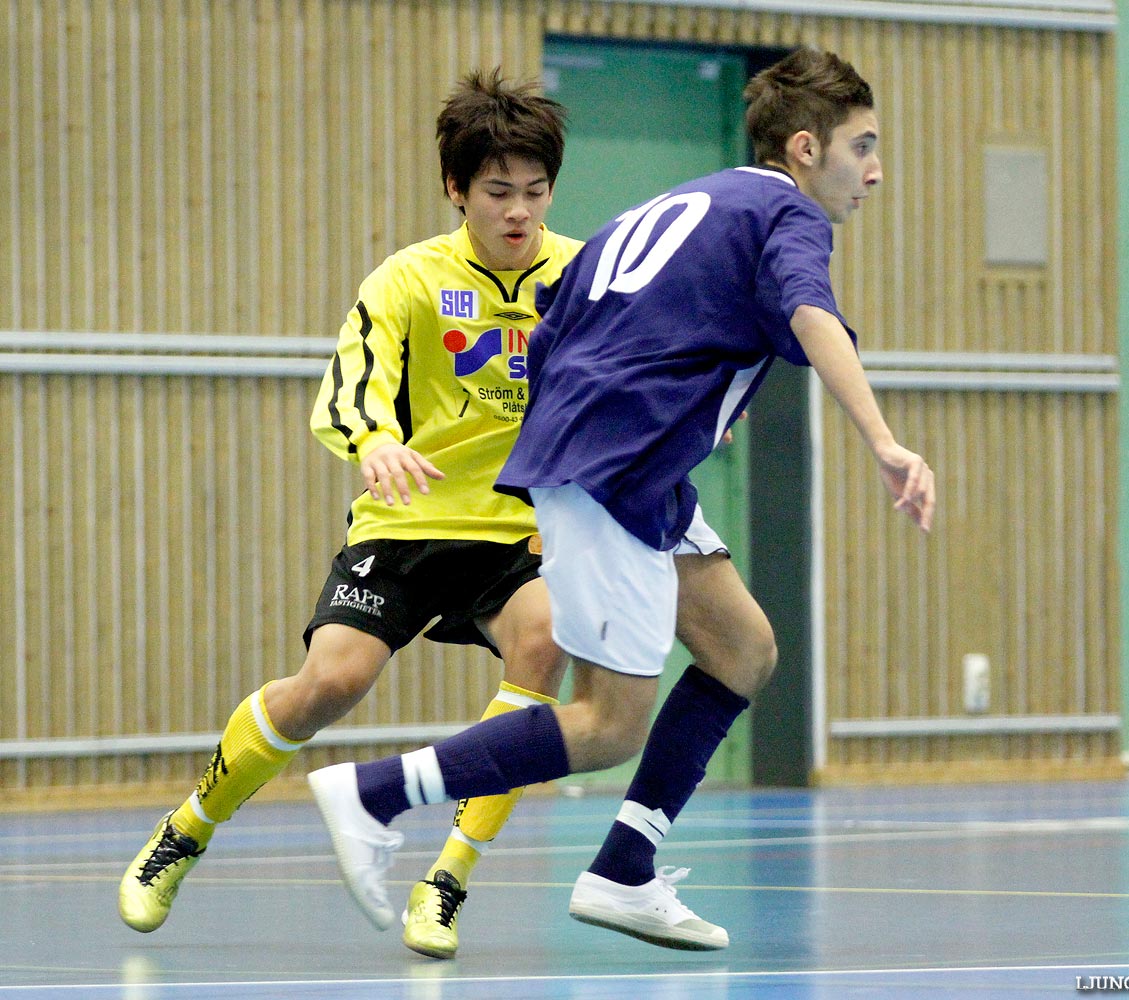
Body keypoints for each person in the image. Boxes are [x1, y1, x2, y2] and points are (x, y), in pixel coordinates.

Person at [307, 47, 936, 951]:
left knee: (744, 650)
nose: (874, 169)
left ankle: (625, 868)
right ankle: (372, 796)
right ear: (805, 148)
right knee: (608, 724)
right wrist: (882, 440)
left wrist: (660, 410)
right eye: (862, 146)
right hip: (614, 472)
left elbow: (561, 325)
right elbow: (811, 314)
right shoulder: (791, 217)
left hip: (626, 464)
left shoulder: (687, 202)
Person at [117, 69, 585, 960]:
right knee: (329, 683)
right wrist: (374, 442)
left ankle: (446, 880)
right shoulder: (409, 280)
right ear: (456, 189)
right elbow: (348, 393)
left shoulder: (582, 276)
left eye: (534, 192)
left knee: (544, 647)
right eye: (497, 193)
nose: (518, 212)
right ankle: (186, 828)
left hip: (519, 531)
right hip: (407, 520)